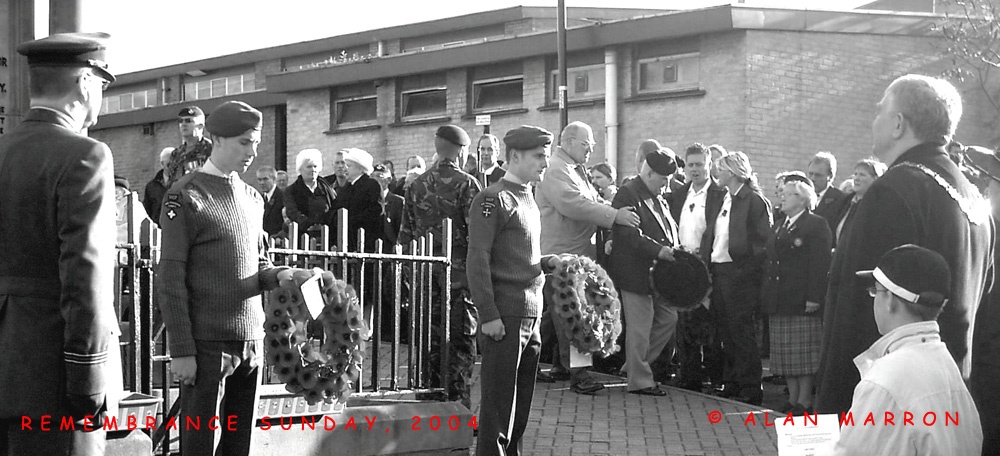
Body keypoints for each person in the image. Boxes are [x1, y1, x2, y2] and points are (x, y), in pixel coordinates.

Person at [817, 74, 993, 415]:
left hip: (888, 410)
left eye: (880, 110)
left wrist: (832, 411)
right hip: (950, 404)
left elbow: (855, 310)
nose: (874, 120)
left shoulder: (894, 191)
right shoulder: (977, 203)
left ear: (898, 124)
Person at [158, 101, 311, 455]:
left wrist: (285, 274)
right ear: (217, 140)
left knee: (239, 444)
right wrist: (182, 350)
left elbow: (257, 264)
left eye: (255, 142)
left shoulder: (252, 198)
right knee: (199, 446)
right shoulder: (185, 195)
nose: (252, 151)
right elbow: (170, 277)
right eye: (244, 142)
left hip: (251, 344)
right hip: (207, 346)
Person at [0, 32, 120, 455]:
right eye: (102, 86)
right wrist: (89, 381)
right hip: (53, 381)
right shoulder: (85, 155)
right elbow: (85, 276)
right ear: (85, 83)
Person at [835, 245, 982, 455]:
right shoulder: (945, 363)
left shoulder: (884, 380)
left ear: (890, 301)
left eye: (876, 290)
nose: (874, 298)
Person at [468, 125, 557, 456]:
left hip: (531, 313)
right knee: (497, 404)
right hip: (506, 314)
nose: (544, 164)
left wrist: (547, 261)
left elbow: (516, 254)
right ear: (515, 157)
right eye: (538, 157)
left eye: (545, 157)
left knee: (520, 405)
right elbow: (477, 259)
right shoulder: (493, 198)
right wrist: (488, 314)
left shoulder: (527, 196)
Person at [535, 121, 640, 395]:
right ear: (567, 142)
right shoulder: (558, 169)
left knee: (554, 315)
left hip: (572, 252)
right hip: (563, 255)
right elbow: (573, 203)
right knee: (574, 314)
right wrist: (615, 216)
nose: (591, 150)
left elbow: (590, 200)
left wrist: (611, 208)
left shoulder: (572, 169)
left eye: (592, 145)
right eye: (586, 144)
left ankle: (551, 364)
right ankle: (579, 375)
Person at [400, 125, 482, 409]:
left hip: (425, 274)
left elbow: (406, 236)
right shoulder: (468, 184)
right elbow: (478, 235)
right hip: (458, 277)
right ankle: (458, 409)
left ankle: (428, 403)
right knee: (459, 344)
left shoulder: (416, 184)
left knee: (428, 343)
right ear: (460, 150)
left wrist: (410, 277)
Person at [703, 151, 773, 405]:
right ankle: (731, 381)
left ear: (732, 172)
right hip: (719, 272)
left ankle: (751, 387)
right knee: (725, 331)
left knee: (742, 332)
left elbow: (763, 243)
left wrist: (745, 272)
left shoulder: (753, 200)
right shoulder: (724, 198)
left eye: (720, 169)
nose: (716, 173)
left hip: (740, 275)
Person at [610, 148, 681, 396]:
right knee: (640, 328)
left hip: (656, 275)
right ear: (650, 173)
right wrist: (658, 250)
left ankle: (633, 366)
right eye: (664, 180)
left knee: (668, 318)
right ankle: (639, 380)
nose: (666, 186)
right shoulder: (628, 194)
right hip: (635, 273)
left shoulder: (656, 196)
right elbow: (628, 235)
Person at [761, 179, 832, 414]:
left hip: (801, 299)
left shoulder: (816, 224)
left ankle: (804, 401)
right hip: (779, 299)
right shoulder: (780, 225)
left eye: (789, 194)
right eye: (782, 193)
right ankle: (792, 400)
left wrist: (814, 297)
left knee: (803, 356)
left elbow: (819, 265)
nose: (783, 197)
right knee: (786, 356)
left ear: (803, 199)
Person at [669, 143, 727, 392]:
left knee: (712, 328)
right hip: (682, 267)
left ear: (709, 165)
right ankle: (689, 377)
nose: (694, 169)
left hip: (709, 267)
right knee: (684, 324)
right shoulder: (679, 195)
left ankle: (716, 379)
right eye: (690, 165)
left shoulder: (720, 194)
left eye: (699, 164)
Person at [961, 145, 1000, 456]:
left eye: (992, 180)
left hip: (989, 355)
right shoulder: (988, 226)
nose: (987, 187)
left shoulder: (988, 228)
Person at [334, 148, 382, 253]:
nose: (345, 169)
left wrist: (352, 221)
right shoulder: (346, 188)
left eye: (349, 166)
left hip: (367, 240)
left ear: (360, 168)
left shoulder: (371, 185)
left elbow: (375, 211)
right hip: (349, 240)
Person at [283, 148, 336, 242]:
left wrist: (324, 224)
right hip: (301, 237)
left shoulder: (327, 188)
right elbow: (292, 212)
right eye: (309, 167)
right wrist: (309, 224)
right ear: (300, 169)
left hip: (327, 237)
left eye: (315, 166)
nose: (313, 170)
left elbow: (334, 207)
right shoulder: (291, 191)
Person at [832, 158, 886, 246]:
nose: (856, 178)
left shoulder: (877, 206)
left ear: (875, 179)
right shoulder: (845, 202)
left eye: (862, 175)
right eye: (855, 174)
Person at [165, 106, 213, 187]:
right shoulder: (176, 153)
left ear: (200, 126)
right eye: (180, 121)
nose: (183, 124)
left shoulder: (211, 149)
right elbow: (170, 183)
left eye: (188, 121)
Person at [807, 151, 849, 232]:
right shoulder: (801, 197)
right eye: (810, 174)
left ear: (830, 176)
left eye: (818, 175)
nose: (813, 179)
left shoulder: (841, 200)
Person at [371, 163, 405, 246]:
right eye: (372, 176)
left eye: (379, 176)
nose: (375, 180)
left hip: (390, 247)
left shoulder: (398, 201)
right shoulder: (368, 200)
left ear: (389, 180)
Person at [143, 146, 174, 224]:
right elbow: (146, 213)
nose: (172, 168)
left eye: (175, 164)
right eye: (169, 165)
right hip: (158, 229)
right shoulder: (152, 187)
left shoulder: (184, 184)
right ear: (162, 164)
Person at [256, 165, 286, 238]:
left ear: (274, 179)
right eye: (259, 180)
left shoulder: (284, 197)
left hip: (279, 241)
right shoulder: (258, 199)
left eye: (265, 179)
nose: (262, 183)